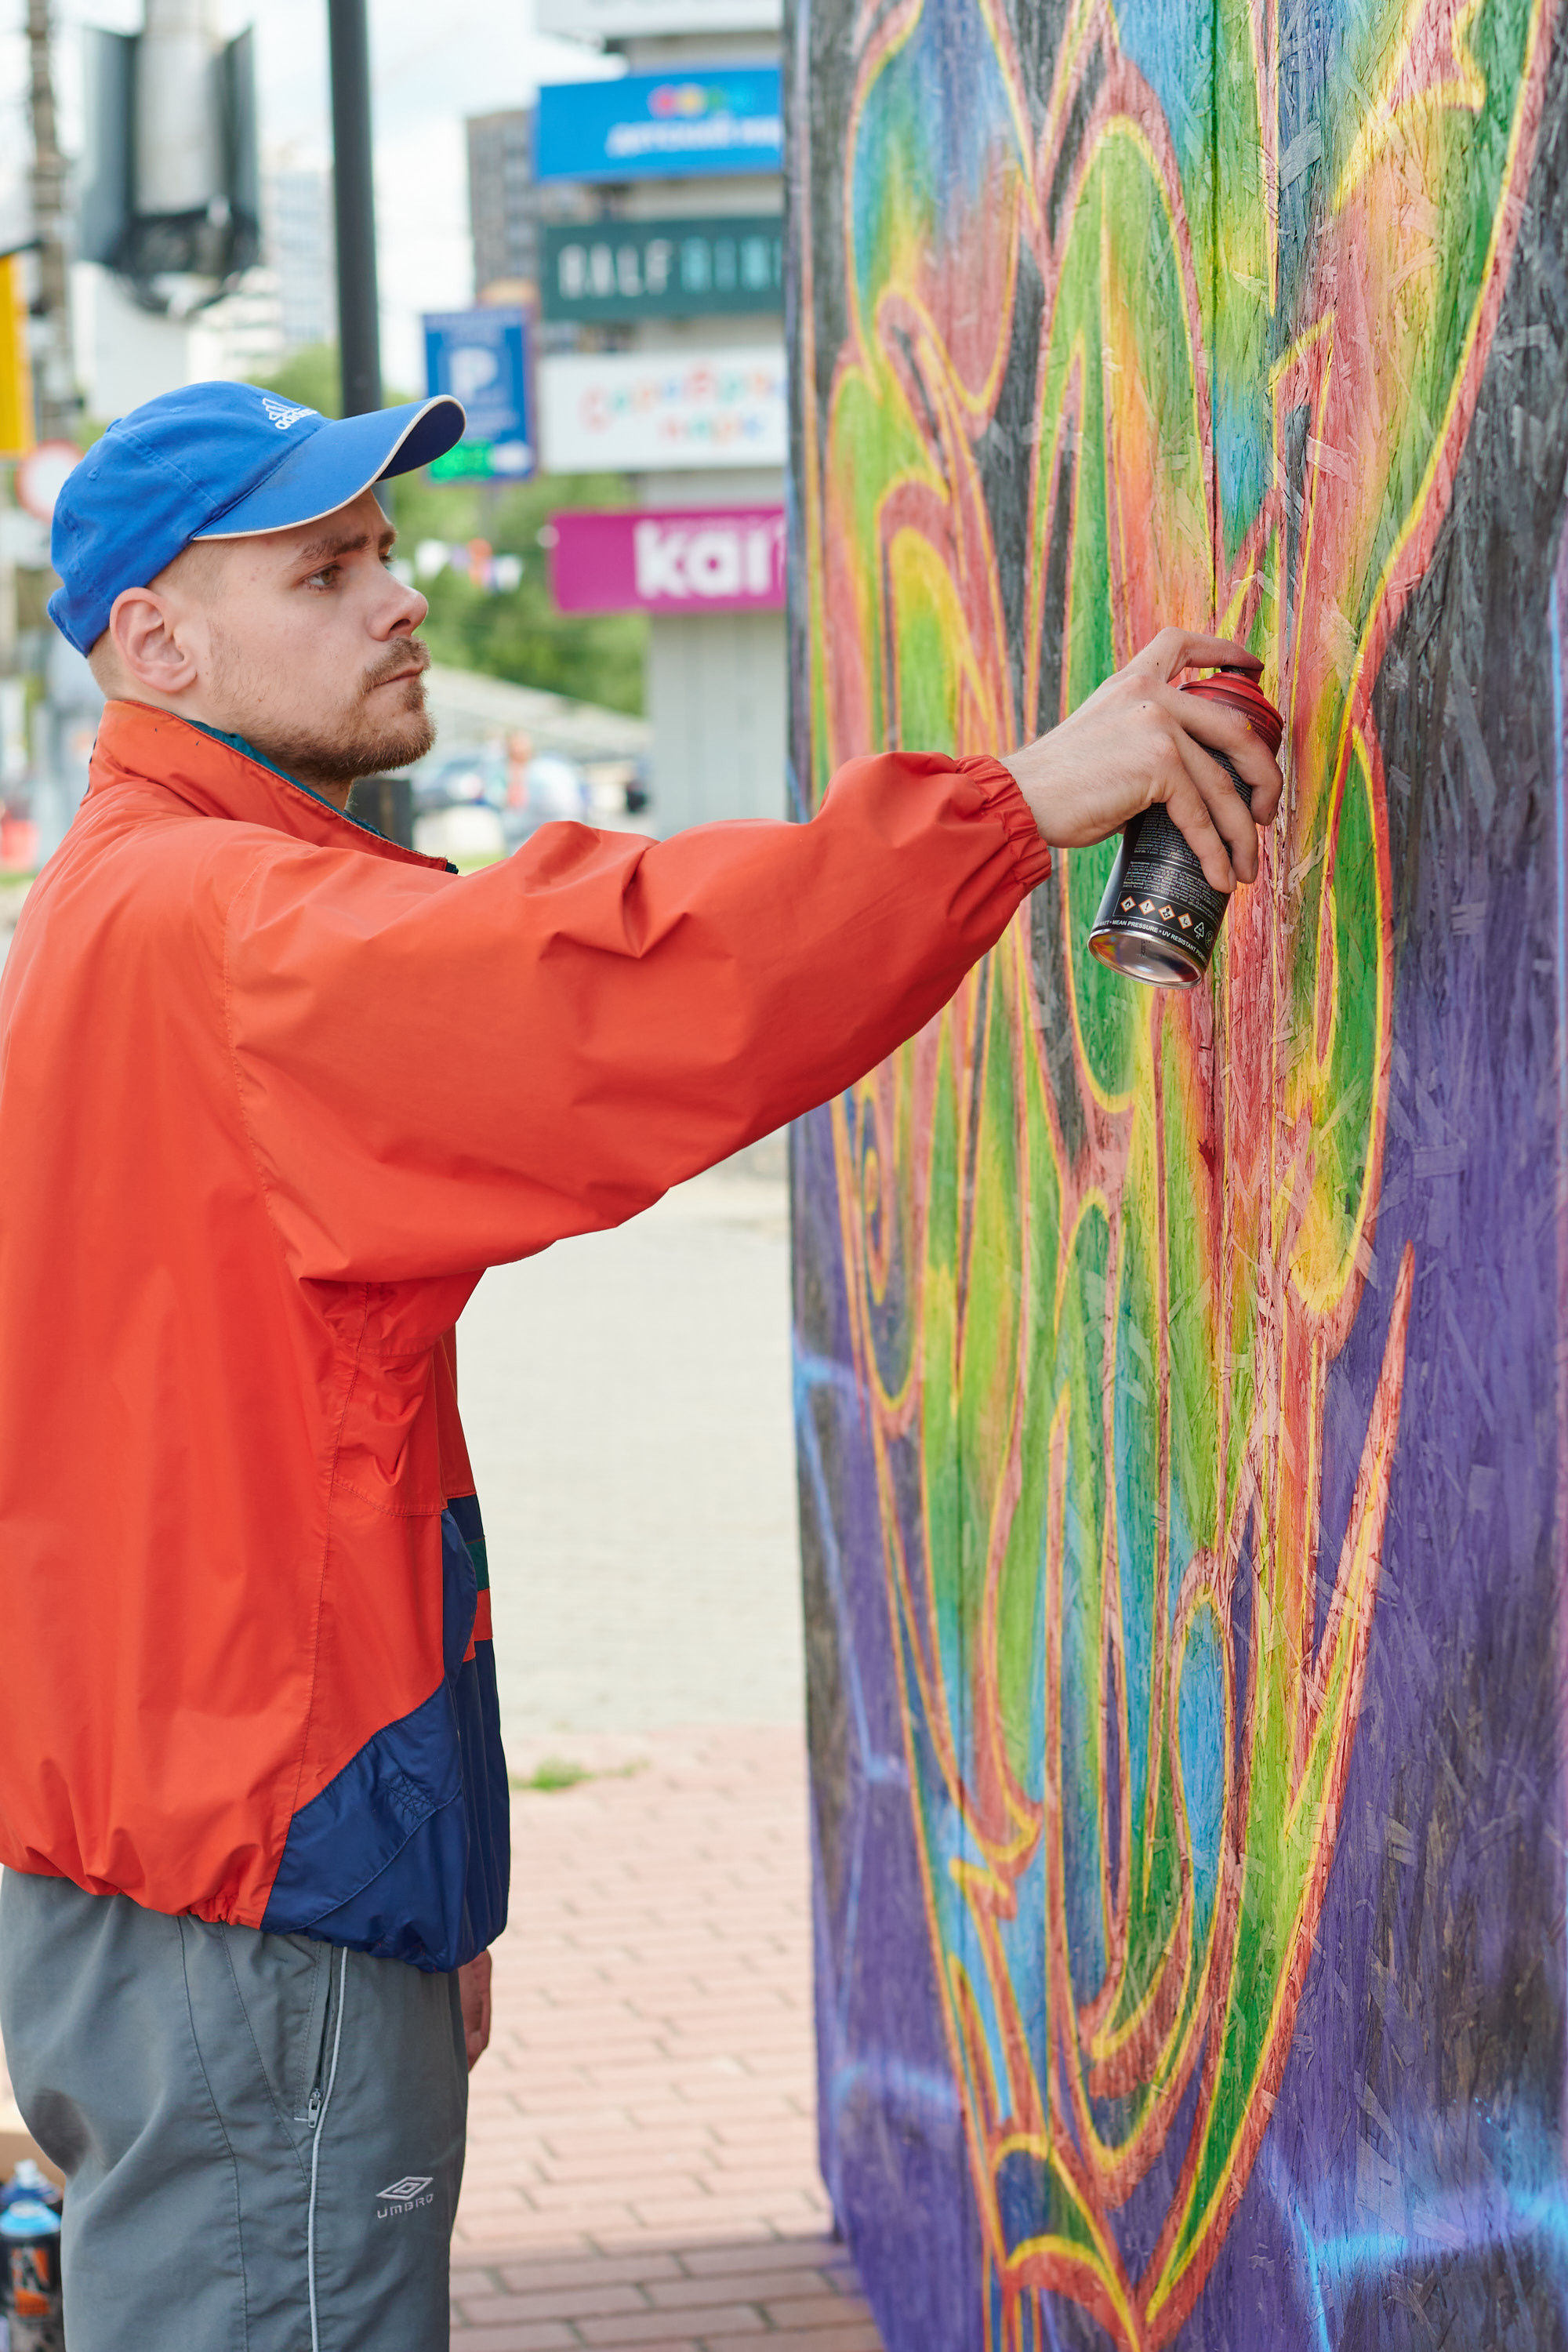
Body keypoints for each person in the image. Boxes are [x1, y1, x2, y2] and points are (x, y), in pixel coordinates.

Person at [0, 381, 1282, 2352]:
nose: (400, 598)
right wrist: (1018, 803)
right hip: (249, 1865)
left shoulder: (120, 902)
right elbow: (631, 981)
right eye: (323, 573)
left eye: (387, 552)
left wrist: (424, 1894)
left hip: (177, 1847)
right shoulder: (225, 924)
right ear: (153, 644)